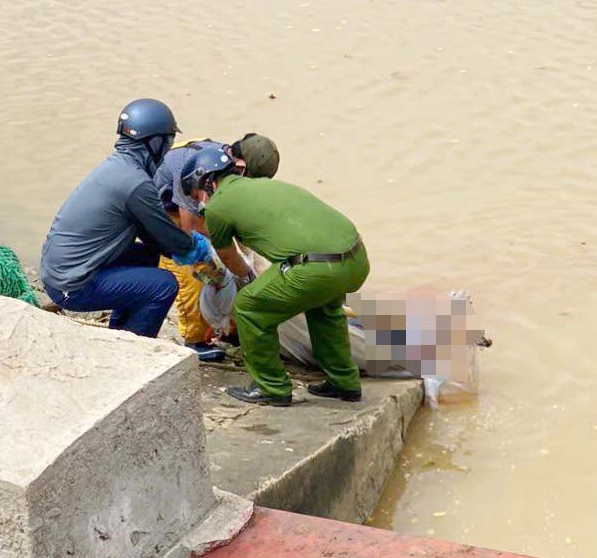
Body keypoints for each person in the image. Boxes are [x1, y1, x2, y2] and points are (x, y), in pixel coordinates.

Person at [182, 147, 369, 407]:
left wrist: (248, 279)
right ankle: (344, 383)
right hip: (356, 259)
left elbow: (228, 257)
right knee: (324, 309)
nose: (200, 201)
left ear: (208, 182)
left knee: (249, 306)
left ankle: (271, 387)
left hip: (316, 269)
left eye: (197, 194)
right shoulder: (263, 186)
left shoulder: (218, 207)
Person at [39, 98, 212, 338]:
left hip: (61, 272)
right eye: (168, 140)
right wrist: (197, 248)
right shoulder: (136, 183)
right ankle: (133, 351)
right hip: (72, 286)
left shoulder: (118, 168)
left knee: (148, 256)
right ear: (155, 142)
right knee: (164, 285)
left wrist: (176, 247)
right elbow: (169, 238)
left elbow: (153, 235)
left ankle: (119, 334)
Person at [152, 134, 279, 361]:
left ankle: (231, 328)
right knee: (195, 268)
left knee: (240, 258)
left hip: (199, 207)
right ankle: (195, 340)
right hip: (168, 212)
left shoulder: (229, 167)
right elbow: (189, 230)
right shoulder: (193, 167)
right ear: (239, 167)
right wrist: (222, 250)